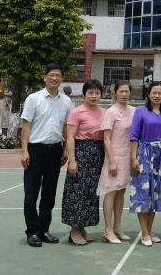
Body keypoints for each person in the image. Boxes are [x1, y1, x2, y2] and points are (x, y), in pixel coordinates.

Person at [20, 63, 71, 247]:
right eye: (51, 75)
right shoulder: (33, 99)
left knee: (49, 194)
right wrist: (24, 151)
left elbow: (66, 127)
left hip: (55, 151)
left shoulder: (66, 101)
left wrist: (65, 149)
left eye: (58, 75)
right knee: (31, 194)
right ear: (45, 77)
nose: (54, 78)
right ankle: (32, 231)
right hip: (35, 151)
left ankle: (44, 230)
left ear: (62, 79)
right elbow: (26, 126)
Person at [62, 79, 105, 245]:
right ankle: (74, 230)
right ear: (84, 94)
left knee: (90, 193)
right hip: (81, 153)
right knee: (77, 192)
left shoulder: (104, 113)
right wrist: (72, 161)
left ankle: (82, 228)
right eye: (90, 92)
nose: (94, 96)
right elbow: (70, 137)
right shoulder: (77, 112)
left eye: (97, 93)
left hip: (96, 155)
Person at [130, 81, 161, 245]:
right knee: (143, 193)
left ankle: (149, 230)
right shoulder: (140, 111)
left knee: (156, 194)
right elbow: (134, 135)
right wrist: (134, 158)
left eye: (160, 93)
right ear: (148, 94)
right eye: (154, 92)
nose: (157, 96)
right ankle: (144, 233)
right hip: (144, 154)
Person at [96, 80, 136, 244]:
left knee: (121, 191)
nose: (124, 94)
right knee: (111, 191)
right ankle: (108, 230)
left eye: (127, 91)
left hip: (127, 156)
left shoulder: (134, 111)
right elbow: (106, 139)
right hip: (115, 156)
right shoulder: (111, 112)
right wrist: (112, 161)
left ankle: (118, 227)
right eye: (121, 91)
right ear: (115, 93)